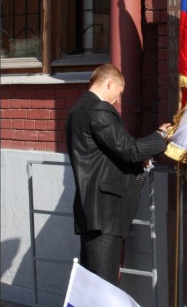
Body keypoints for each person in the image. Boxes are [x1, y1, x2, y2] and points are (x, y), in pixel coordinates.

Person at [66, 64, 170, 285]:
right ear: (110, 82)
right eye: (119, 92)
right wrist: (161, 136)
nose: (118, 100)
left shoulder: (78, 109)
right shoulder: (98, 110)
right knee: (103, 287)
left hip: (93, 210)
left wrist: (138, 164)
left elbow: (105, 155)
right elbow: (129, 149)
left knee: (94, 284)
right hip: (105, 213)